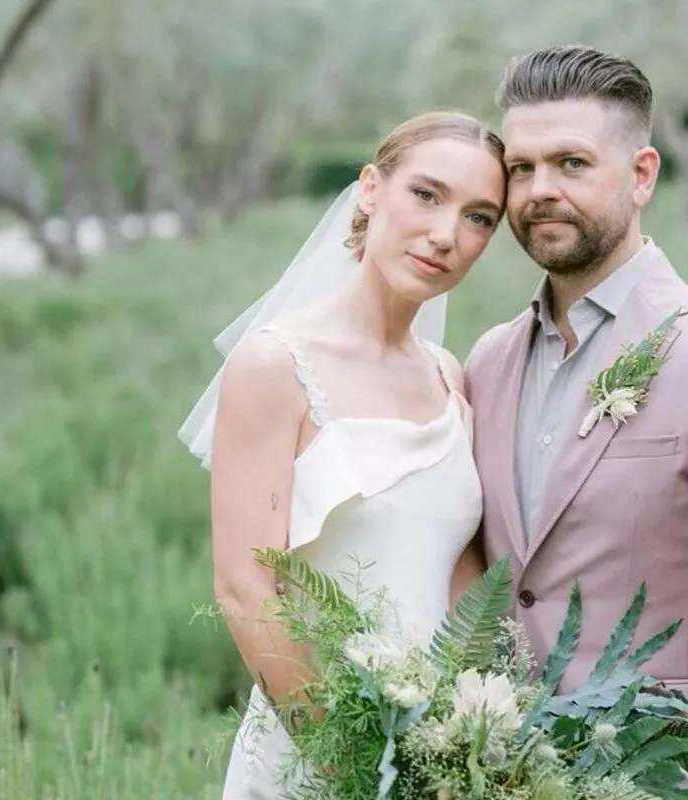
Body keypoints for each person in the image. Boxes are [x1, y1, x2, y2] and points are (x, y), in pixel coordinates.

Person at [463, 45, 688, 799]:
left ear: (641, 174)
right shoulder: (487, 362)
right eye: (522, 168)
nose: (540, 191)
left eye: (571, 163)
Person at [177, 110, 506, 798]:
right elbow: (244, 592)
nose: (446, 235)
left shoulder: (451, 379)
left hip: (433, 764)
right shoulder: (275, 364)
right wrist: (352, 767)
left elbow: (463, 585)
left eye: (479, 217)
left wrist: (470, 746)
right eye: (426, 195)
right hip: (317, 758)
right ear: (369, 189)